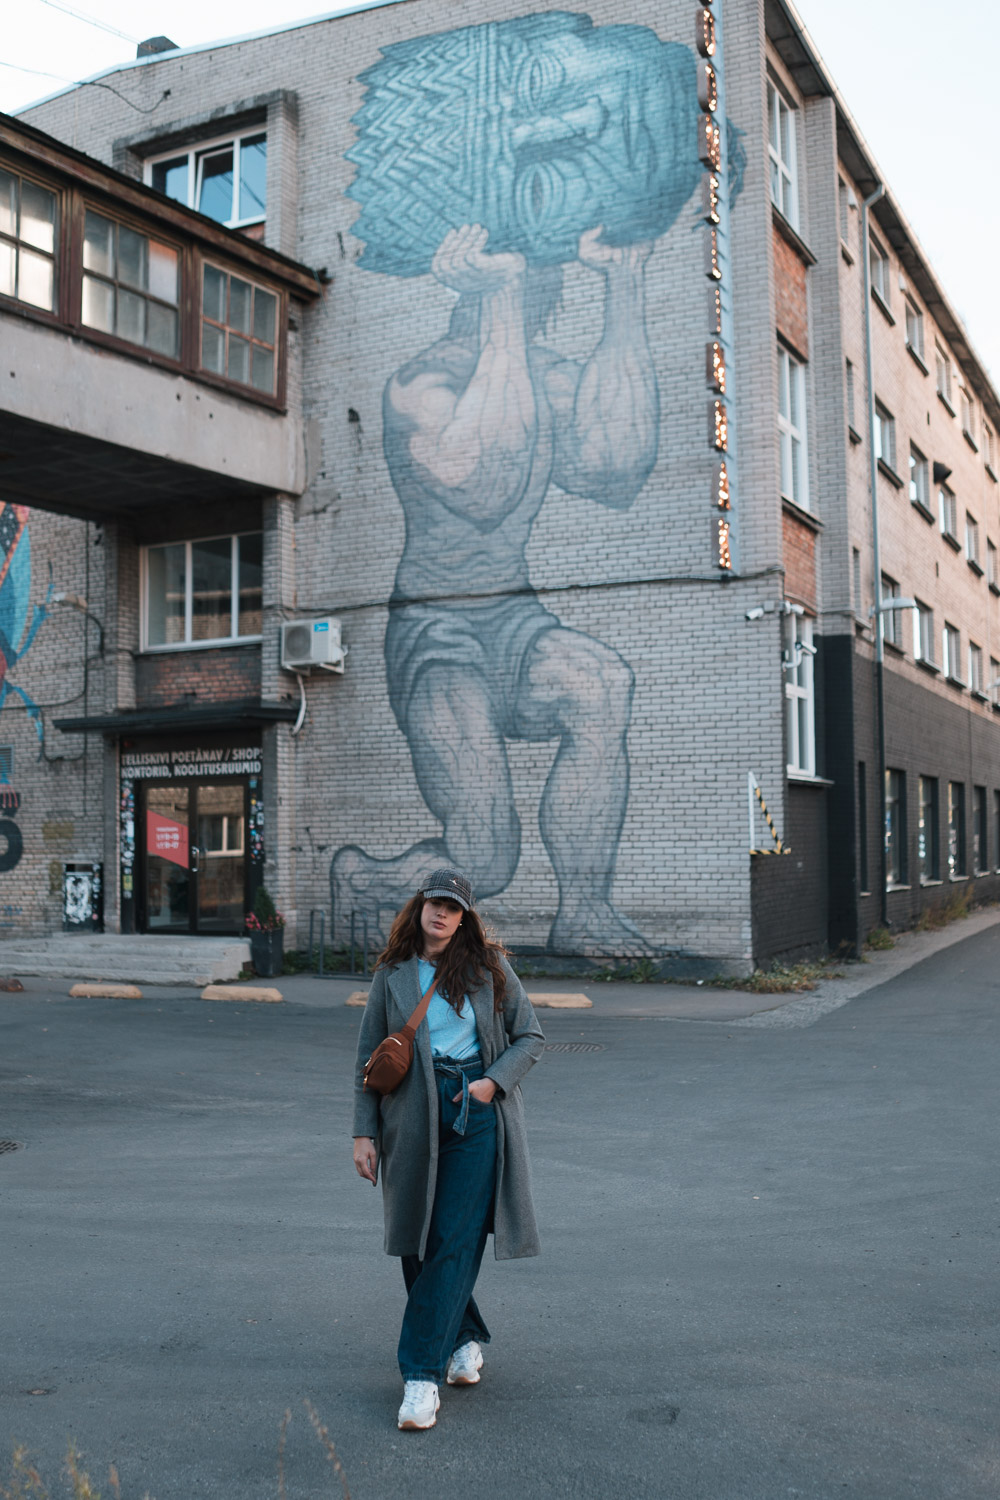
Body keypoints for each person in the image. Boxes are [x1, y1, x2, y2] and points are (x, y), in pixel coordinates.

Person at [352, 866, 544, 1431]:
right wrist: (363, 1133)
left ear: (465, 918)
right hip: (410, 1117)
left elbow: (530, 1036)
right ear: (420, 908)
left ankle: (419, 1375)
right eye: (435, 903)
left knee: (455, 1238)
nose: (442, 914)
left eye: (453, 908)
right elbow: (368, 1058)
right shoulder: (392, 975)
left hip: (474, 1111)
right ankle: (461, 1338)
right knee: (418, 1238)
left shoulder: (488, 969)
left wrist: (490, 1083)